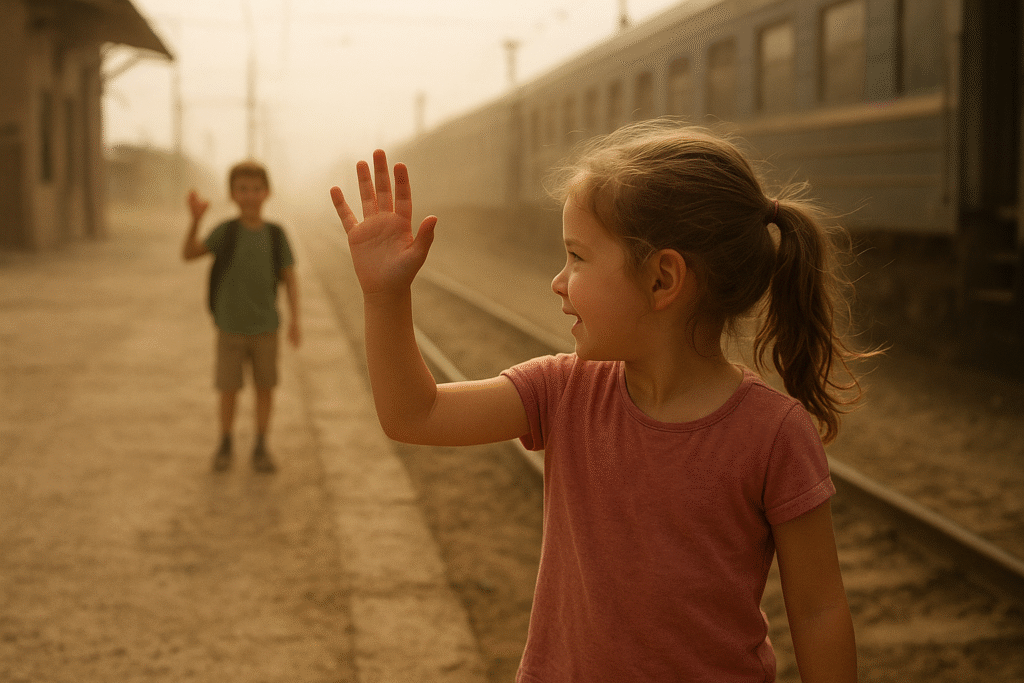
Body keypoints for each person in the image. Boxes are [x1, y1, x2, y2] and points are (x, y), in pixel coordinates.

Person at [330, 121, 869, 682]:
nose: (558, 282)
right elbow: (414, 414)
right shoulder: (563, 390)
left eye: (577, 257)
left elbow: (819, 611)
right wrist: (385, 296)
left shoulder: (775, 434)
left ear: (663, 279)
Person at [183, 160, 300, 473]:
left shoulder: (277, 235)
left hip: (266, 329)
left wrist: (295, 321)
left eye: (256, 189)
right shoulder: (226, 232)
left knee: (265, 388)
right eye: (243, 189)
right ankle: (225, 442)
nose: (250, 195)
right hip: (230, 328)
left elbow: (290, 278)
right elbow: (189, 254)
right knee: (228, 389)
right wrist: (195, 221)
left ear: (268, 193)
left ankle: (261, 445)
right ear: (232, 194)